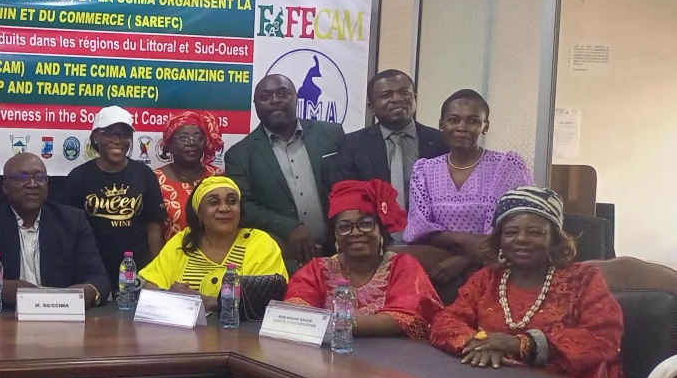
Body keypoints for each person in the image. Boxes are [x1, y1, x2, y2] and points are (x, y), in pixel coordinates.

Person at [430, 187, 624, 378]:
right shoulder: (488, 278)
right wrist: (482, 343)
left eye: (534, 232)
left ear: (555, 239)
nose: (521, 239)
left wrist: (522, 345)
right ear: (499, 240)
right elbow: (445, 321)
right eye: (511, 232)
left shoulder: (583, 278)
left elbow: (604, 336)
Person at [402, 90, 533, 293]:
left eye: (472, 121)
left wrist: (466, 259)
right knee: (394, 259)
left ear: (485, 126)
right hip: (439, 254)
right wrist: (462, 239)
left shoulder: (508, 166)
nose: (462, 127)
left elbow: (520, 225)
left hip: (497, 258)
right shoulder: (424, 170)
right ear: (441, 124)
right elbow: (419, 229)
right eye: (454, 120)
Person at [285, 180, 443, 339]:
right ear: (335, 234)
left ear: (381, 229)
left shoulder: (403, 266)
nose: (355, 233)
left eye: (366, 223)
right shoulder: (317, 269)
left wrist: (338, 323)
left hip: (391, 353)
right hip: (329, 353)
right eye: (344, 226)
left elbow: (406, 317)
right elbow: (294, 311)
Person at [0, 153, 108, 306]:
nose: (32, 184)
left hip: (59, 311)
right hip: (5, 313)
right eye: (22, 177)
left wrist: (87, 293)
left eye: (40, 177)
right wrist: (3, 289)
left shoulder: (72, 220)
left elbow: (98, 277)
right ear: (5, 186)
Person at [224, 74, 344, 267]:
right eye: (265, 97)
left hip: (339, 253)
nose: (275, 101)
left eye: (283, 93)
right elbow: (245, 206)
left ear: (296, 97)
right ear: (255, 105)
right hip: (284, 259)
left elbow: (350, 184)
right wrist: (290, 228)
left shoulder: (332, 134)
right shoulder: (239, 155)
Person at [138, 176, 287, 310]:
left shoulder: (260, 242)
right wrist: (168, 295)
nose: (224, 208)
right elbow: (148, 285)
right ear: (199, 213)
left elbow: (267, 298)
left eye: (232, 201)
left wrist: (205, 301)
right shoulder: (183, 240)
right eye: (214, 202)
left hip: (241, 329)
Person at [60, 106, 165, 275]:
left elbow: (153, 227)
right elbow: (67, 231)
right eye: (110, 133)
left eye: (124, 134)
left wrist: (156, 272)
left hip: (137, 270)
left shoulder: (144, 174)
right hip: (91, 271)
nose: (117, 140)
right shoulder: (79, 177)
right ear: (96, 137)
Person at [335, 70, 445, 209]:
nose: (397, 99)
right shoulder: (353, 145)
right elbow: (346, 199)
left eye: (405, 92)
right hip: (374, 222)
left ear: (414, 98)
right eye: (386, 95)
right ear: (371, 107)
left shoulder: (441, 141)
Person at [154, 110, 225, 241]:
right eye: (183, 138)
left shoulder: (219, 178)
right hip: (170, 252)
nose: (192, 143)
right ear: (169, 143)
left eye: (198, 137)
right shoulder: (155, 180)